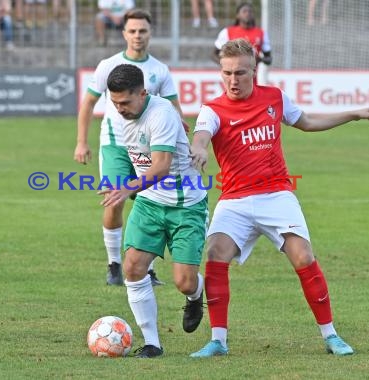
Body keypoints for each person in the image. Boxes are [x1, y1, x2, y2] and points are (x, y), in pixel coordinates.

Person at [189, 39, 369, 358]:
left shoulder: (274, 98)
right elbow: (202, 136)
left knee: (303, 256)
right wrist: (198, 148)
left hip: (277, 194)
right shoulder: (212, 110)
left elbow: (307, 122)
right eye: (226, 73)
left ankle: (331, 336)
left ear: (254, 71)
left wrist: (353, 114)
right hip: (235, 199)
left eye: (240, 73)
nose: (233, 80)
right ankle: (218, 341)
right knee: (216, 253)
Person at [100, 63, 207, 358]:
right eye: (114, 102)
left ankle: (196, 295)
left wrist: (127, 187)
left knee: (184, 281)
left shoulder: (160, 114)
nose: (119, 108)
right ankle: (152, 343)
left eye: (125, 102)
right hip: (149, 203)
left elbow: (160, 165)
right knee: (133, 267)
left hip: (186, 206)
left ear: (143, 93)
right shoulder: (125, 116)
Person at [74, 9, 187, 287]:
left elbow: (172, 106)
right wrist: (81, 142)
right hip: (114, 146)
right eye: (133, 31)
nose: (138, 36)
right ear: (124, 33)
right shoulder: (108, 65)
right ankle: (114, 263)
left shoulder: (160, 70)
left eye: (143, 31)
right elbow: (88, 103)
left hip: (148, 147)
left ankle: (143, 268)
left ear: (150, 33)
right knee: (115, 199)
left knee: (150, 203)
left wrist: (182, 130)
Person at [212, 2, 272, 67]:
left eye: (250, 11)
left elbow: (269, 59)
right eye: (244, 11)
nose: (248, 13)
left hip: (252, 77)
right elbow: (214, 55)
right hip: (232, 76)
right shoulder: (227, 32)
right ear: (237, 15)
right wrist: (226, 65)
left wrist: (260, 59)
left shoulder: (261, 33)